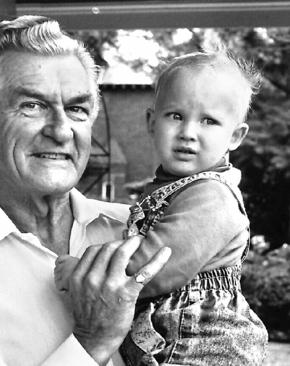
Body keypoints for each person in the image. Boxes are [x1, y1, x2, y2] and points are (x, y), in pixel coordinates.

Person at [0, 15, 171, 366]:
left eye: (76, 109)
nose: (61, 130)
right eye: (32, 105)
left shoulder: (137, 230)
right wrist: (92, 341)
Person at [58, 50, 268, 365]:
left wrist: (85, 274)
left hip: (204, 347)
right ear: (151, 121)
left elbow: (155, 265)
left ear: (235, 136)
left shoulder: (212, 197)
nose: (188, 132)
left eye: (209, 121)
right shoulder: (173, 188)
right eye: (176, 115)